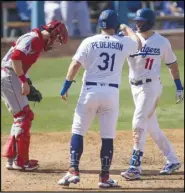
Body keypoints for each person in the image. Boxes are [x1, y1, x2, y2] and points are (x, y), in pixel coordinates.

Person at [57, 9, 141, 188]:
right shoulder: (123, 41)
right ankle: (104, 178)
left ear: (100, 24)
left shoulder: (89, 41)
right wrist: (126, 29)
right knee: (107, 137)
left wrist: (66, 86)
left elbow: (75, 65)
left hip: (89, 92)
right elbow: (139, 43)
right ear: (115, 24)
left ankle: (73, 171)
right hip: (110, 94)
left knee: (78, 131)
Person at [120, 8, 183, 180]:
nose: (138, 23)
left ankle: (135, 166)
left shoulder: (162, 42)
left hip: (151, 87)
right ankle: (172, 160)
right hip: (135, 88)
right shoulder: (130, 39)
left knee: (138, 120)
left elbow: (172, 64)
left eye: (141, 21)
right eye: (137, 21)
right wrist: (123, 28)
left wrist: (179, 85)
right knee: (152, 126)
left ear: (149, 22)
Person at [1, 20, 68, 171]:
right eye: (57, 38)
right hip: (9, 76)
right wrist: (23, 81)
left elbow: (21, 61)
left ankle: (13, 159)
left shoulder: (36, 40)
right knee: (24, 116)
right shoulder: (34, 39)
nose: (55, 42)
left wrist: (28, 83)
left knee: (21, 116)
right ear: (53, 33)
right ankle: (20, 162)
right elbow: (16, 58)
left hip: (11, 77)